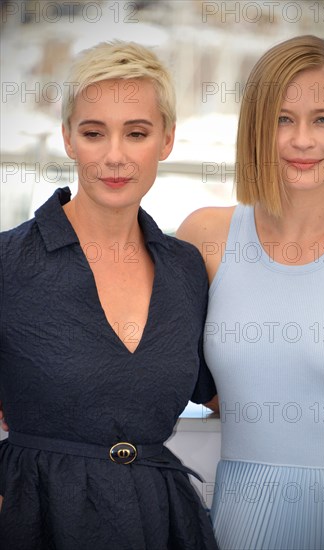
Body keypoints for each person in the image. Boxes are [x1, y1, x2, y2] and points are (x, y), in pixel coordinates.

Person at [0, 41, 218, 550]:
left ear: (165, 140)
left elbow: (228, 392)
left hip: (162, 522)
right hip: (34, 518)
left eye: (136, 133)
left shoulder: (186, 268)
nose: (115, 156)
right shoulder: (7, 262)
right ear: (68, 140)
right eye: (94, 133)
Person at [177, 35, 324, 549]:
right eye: (281, 119)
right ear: (255, 127)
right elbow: (135, 343)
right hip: (239, 519)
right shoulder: (206, 235)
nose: (302, 141)